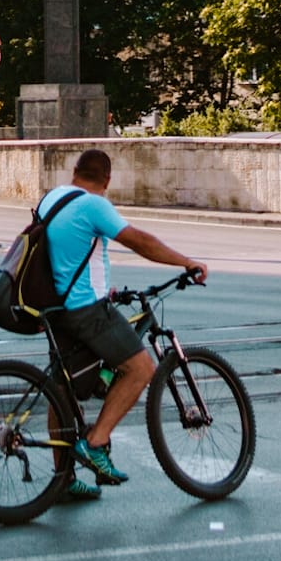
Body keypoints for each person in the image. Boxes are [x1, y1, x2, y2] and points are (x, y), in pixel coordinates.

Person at [39, 146, 208, 503]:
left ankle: (63, 478)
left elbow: (68, 253)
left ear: (75, 170)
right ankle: (96, 442)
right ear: (108, 179)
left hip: (55, 308)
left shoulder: (53, 197)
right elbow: (139, 241)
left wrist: (106, 288)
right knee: (141, 368)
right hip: (85, 310)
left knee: (62, 387)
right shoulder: (94, 204)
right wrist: (186, 262)